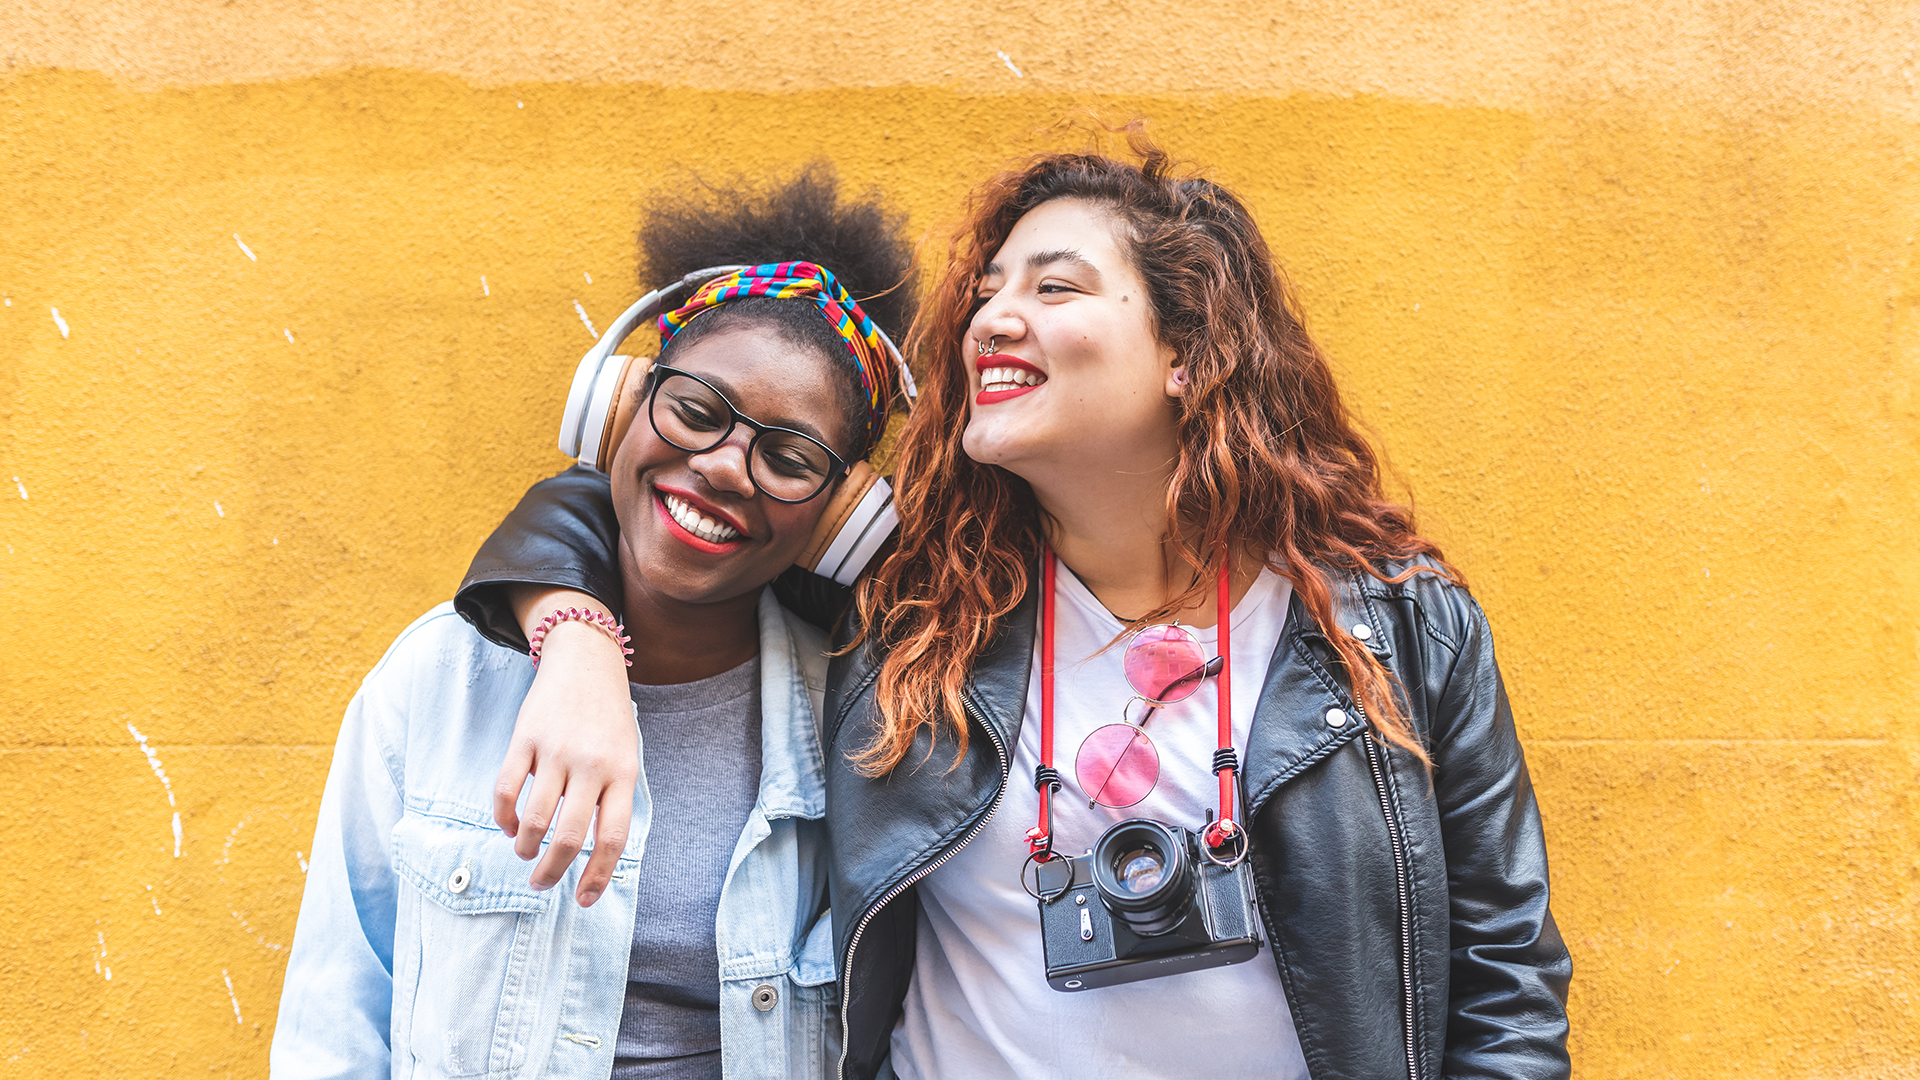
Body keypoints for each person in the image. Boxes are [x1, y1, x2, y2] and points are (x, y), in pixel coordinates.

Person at [462, 134, 1572, 1080]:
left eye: (1053, 287)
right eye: (987, 290)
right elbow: (659, 506)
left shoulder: (1399, 628)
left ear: (1187, 355)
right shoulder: (907, 601)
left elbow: (1505, 979)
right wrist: (575, 641)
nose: (993, 318)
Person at [271, 167, 917, 1080]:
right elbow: (335, 1023)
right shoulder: (437, 680)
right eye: (695, 410)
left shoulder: (867, 729)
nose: (727, 468)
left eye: (789, 456)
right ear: (616, 409)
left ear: (841, 516)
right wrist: (574, 639)